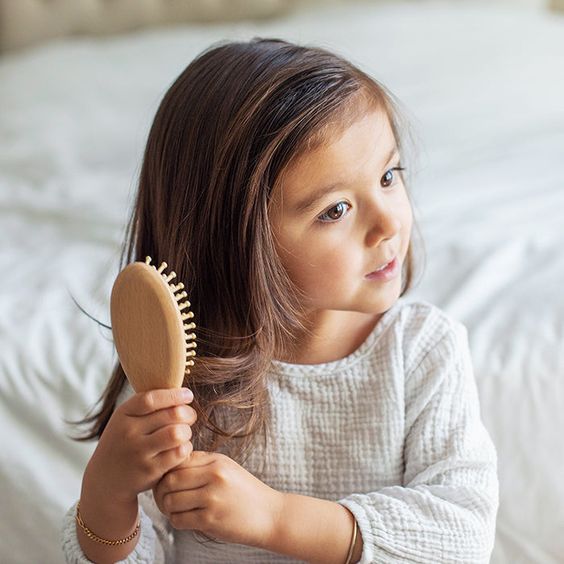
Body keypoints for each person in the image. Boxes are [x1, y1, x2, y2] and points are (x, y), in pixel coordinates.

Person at [61, 37, 499, 563]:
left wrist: (275, 518)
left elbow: (463, 534)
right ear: (232, 239)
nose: (388, 223)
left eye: (388, 176)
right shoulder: (177, 375)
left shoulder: (423, 351)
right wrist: (106, 496)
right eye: (335, 210)